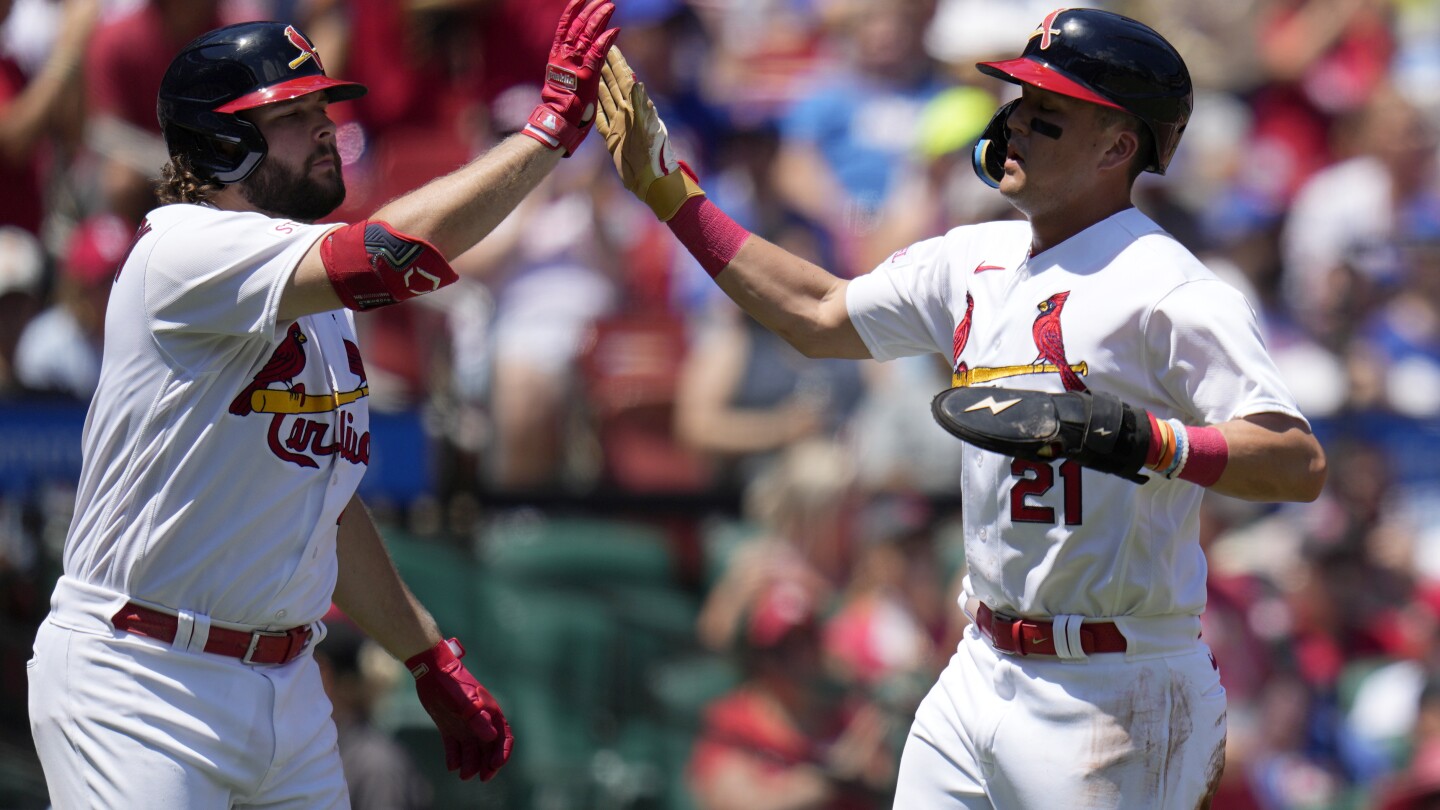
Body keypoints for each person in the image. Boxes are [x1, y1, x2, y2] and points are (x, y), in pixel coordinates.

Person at [596, 7, 1327, 808]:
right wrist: (670, 192)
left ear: (1118, 147)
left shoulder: (1168, 289)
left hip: (1117, 688)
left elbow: (1295, 462)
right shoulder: (973, 256)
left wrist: (1144, 440)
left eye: (1044, 117)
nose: (1012, 126)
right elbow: (816, 315)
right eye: (1015, 104)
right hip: (980, 662)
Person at [27, 5, 618, 807]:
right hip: (141, 678)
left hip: (288, 688)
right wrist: (545, 132)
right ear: (220, 143)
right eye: (293, 116)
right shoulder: (184, 252)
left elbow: (327, 508)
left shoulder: (311, 299)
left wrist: (427, 656)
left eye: (324, 110)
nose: (326, 129)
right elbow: (393, 253)